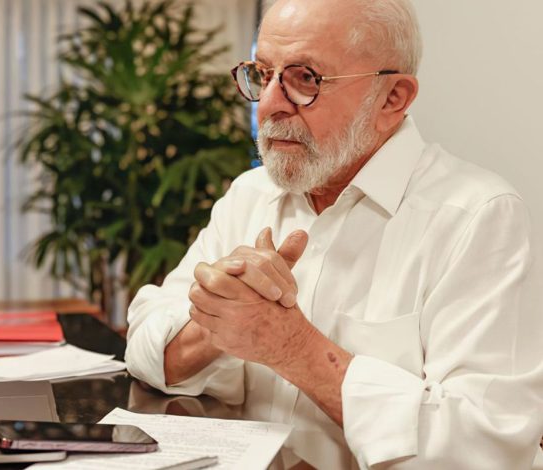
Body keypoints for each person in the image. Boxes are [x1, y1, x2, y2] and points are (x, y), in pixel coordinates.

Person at [124, 0, 543, 468]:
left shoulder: (477, 217)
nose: (269, 105)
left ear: (393, 98)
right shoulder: (251, 193)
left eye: (305, 78)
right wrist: (218, 319)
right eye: (263, 74)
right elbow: (143, 348)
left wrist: (293, 347)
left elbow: (485, 446)